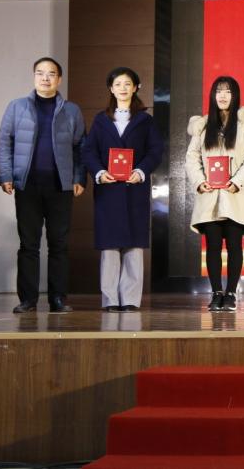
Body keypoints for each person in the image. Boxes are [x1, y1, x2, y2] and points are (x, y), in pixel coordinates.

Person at [0, 57, 86, 314]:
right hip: (28, 185)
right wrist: (6, 175)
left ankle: (58, 299)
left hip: (60, 186)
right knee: (29, 245)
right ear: (34, 76)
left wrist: (79, 177)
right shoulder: (17, 107)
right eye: (40, 73)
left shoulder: (72, 110)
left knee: (59, 245)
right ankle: (28, 300)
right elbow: (5, 142)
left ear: (59, 79)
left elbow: (81, 146)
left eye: (51, 73)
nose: (45, 78)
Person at [81, 67, 164, 312]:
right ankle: (110, 299)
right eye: (118, 84)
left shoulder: (145, 120)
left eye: (128, 84)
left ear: (136, 87)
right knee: (109, 245)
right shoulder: (101, 120)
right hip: (108, 190)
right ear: (111, 88)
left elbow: (155, 151)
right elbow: (89, 151)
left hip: (134, 189)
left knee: (133, 245)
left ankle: (129, 299)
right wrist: (99, 172)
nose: (123, 88)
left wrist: (141, 171)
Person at [185, 76, 244, 312]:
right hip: (209, 195)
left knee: (235, 245)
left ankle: (231, 293)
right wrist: (200, 182)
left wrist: (236, 182)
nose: (223, 95)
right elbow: (192, 158)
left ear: (235, 95)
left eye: (228, 91)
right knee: (213, 246)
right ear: (213, 95)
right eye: (219, 91)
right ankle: (216, 292)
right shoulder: (202, 126)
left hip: (234, 195)